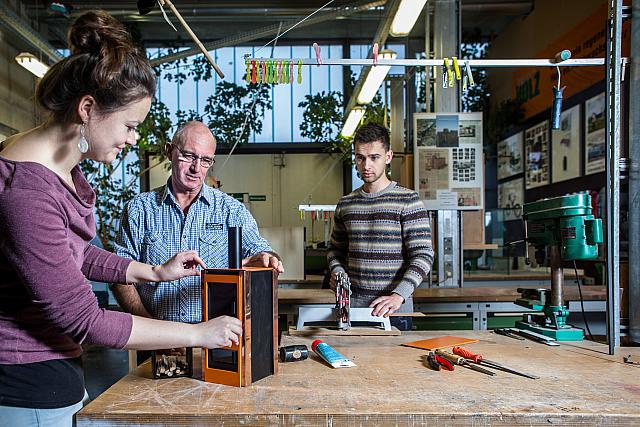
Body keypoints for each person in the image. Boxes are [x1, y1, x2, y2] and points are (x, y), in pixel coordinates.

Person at [0, 11, 241, 426]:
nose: (132, 138)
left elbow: (75, 252)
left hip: (55, 369)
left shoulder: (58, 168)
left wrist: (152, 272)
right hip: (28, 380)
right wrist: (198, 334)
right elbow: (85, 320)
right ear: (88, 108)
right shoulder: (26, 192)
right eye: (130, 125)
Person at [111, 120, 283, 324]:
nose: (196, 168)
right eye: (189, 156)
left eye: (205, 160)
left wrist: (267, 258)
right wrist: (151, 328)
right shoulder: (139, 210)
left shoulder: (231, 210)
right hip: (155, 336)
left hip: (217, 338)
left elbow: (264, 253)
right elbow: (119, 276)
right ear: (169, 151)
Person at [327, 123, 434, 331]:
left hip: (394, 311)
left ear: (388, 156)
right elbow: (335, 251)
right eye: (360, 157)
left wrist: (398, 295)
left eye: (374, 157)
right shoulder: (346, 204)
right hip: (352, 309)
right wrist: (338, 272)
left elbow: (424, 255)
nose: (366, 165)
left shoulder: (408, 200)